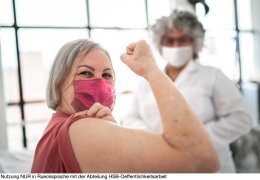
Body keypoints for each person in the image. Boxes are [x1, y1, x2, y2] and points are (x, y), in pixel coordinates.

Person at [31, 39, 219, 173]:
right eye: (86, 73)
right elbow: (199, 158)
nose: (99, 82)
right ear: (58, 82)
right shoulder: (79, 128)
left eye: (106, 75)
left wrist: (110, 129)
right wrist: (151, 69)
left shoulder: (57, 128)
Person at [122, 10, 252, 173]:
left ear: (194, 43)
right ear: (160, 44)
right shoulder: (146, 81)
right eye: (169, 40)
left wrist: (195, 139)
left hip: (210, 168)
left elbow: (241, 118)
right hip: (161, 163)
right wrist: (154, 140)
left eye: (182, 40)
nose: (176, 46)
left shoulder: (213, 76)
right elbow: (130, 118)